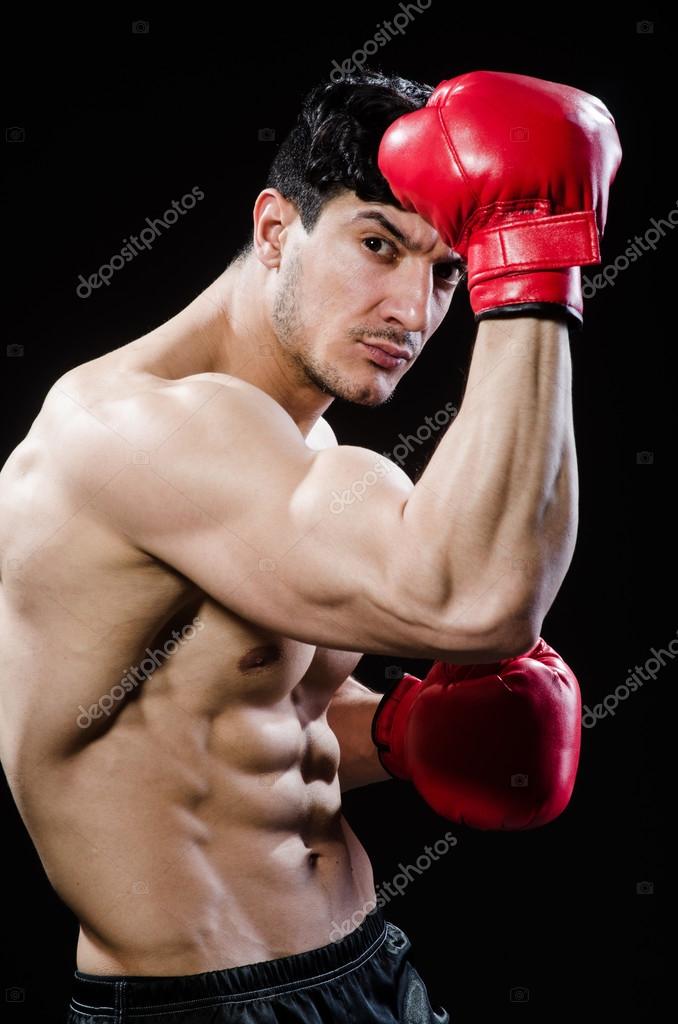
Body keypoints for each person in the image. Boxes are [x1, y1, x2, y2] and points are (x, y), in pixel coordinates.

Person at [0, 68, 620, 1022]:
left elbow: (235, 709)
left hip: (366, 962)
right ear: (275, 229)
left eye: (450, 272)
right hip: (198, 1006)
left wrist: (397, 735)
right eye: (379, 245)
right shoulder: (127, 433)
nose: (414, 313)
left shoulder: (300, 449)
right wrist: (532, 261)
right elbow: (480, 604)